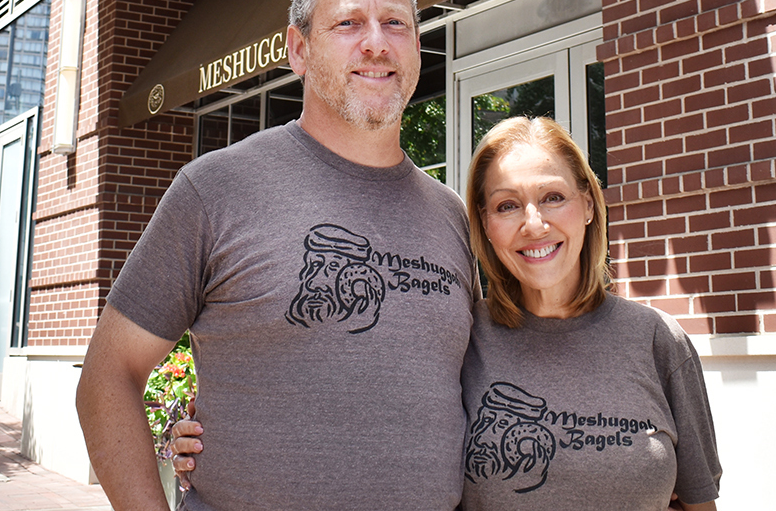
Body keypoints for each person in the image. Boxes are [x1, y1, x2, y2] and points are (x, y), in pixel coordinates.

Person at [76, 0, 477, 511]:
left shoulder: (451, 215)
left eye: (396, 23)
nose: (376, 42)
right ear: (299, 49)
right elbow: (107, 377)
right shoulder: (215, 189)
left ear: (416, 45)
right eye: (348, 23)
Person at [172, 115, 722, 510]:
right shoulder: (463, 333)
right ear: (485, 226)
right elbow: (366, 405)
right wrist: (216, 434)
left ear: (588, 205)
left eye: (553, 197)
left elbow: (699, 502)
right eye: (507, 205)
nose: (533, 223)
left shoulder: (659, 342)